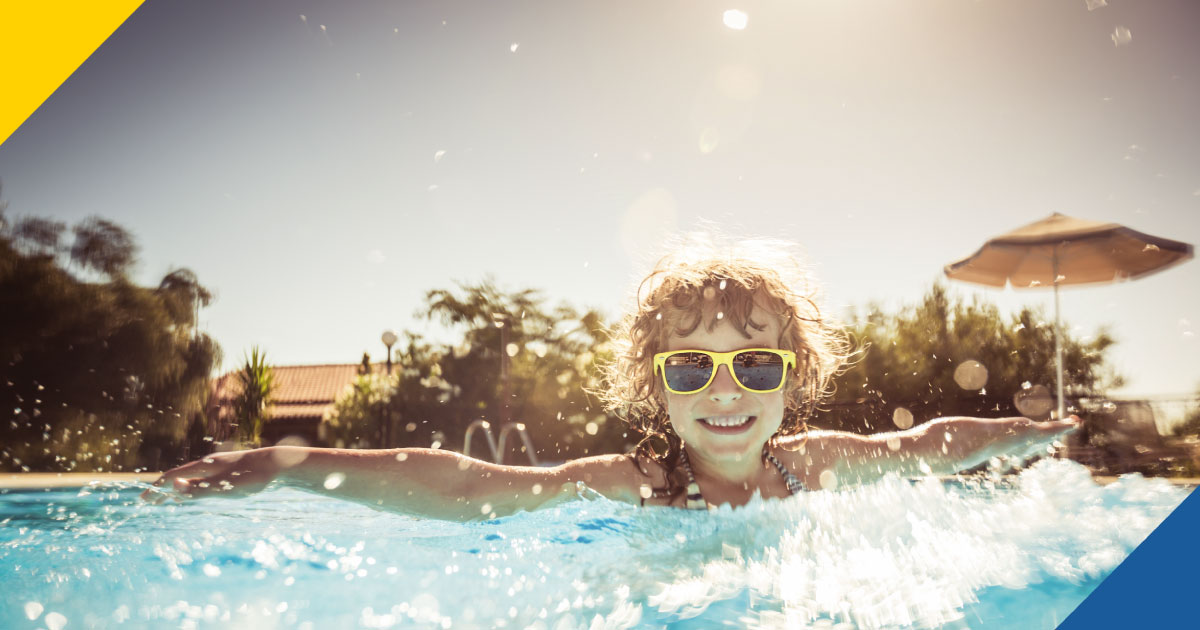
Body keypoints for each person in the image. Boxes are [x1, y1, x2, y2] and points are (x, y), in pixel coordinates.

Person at [142, 233, 1076, 520]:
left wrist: (1030, 434)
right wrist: (291, 461)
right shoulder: (632, 485)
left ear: (792, 380)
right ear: (655, 384)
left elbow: (924, 447)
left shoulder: (817, 465)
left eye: (755, 363)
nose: (725, 390)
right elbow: (469, 484)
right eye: (692, 364)